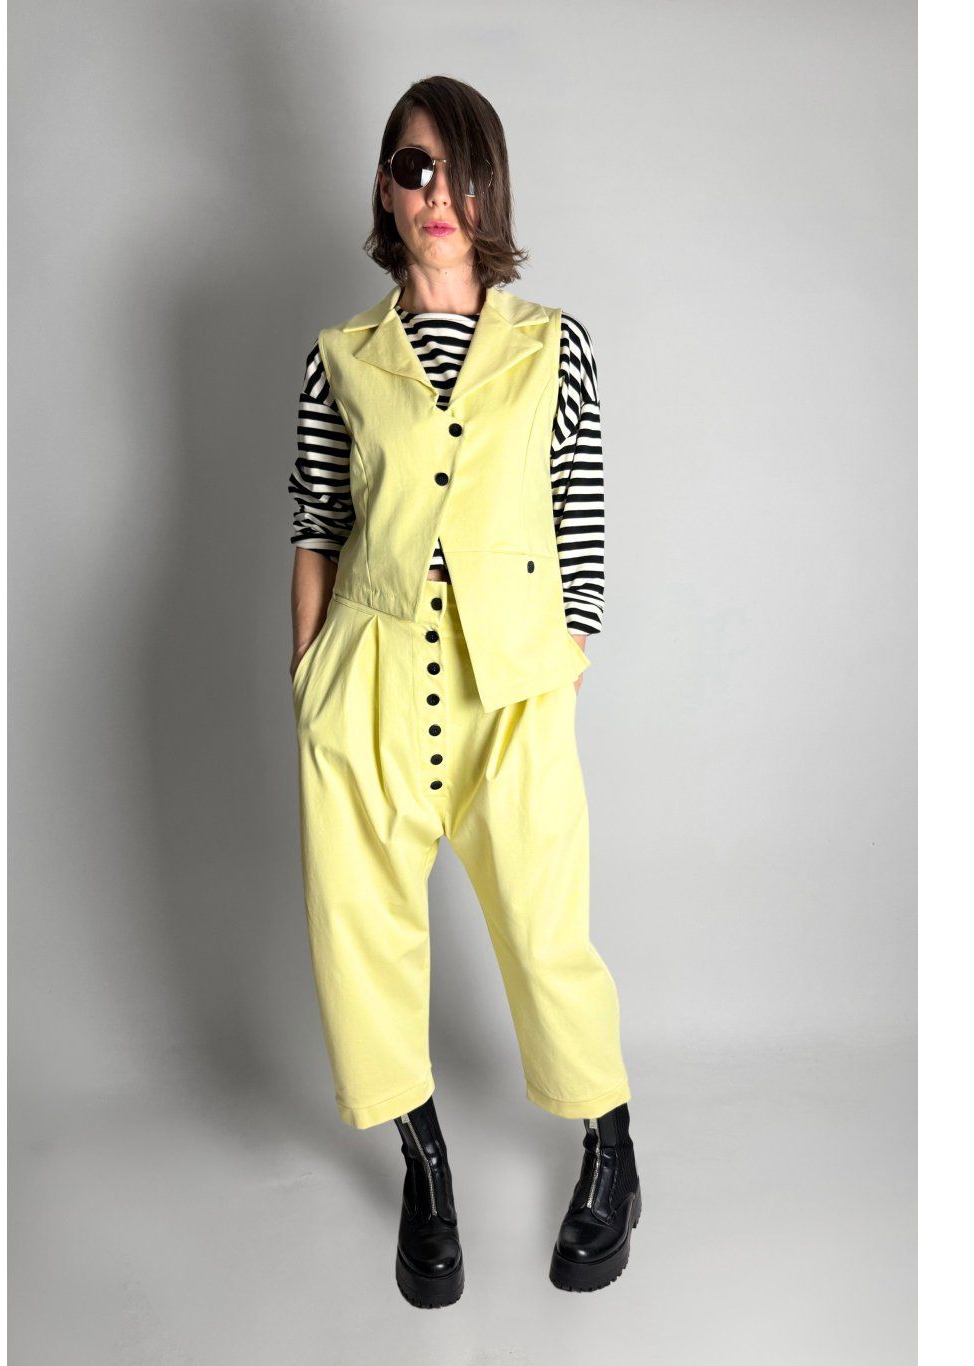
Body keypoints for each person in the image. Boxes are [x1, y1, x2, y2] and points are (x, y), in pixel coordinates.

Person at [287, 75, 642, 1305]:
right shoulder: (340, 359)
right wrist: (307, 678)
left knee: (546, 931)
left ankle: (611, 1147)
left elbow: (579, 514)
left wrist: (567, 655)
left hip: (513, 685)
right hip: (368, 677)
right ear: (386, 192)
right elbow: (316, 520)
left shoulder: (552, 346)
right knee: (364, 932)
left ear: (491, 187)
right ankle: (423, 1169)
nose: (437, 192)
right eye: (413, 167)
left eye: (459, 167)